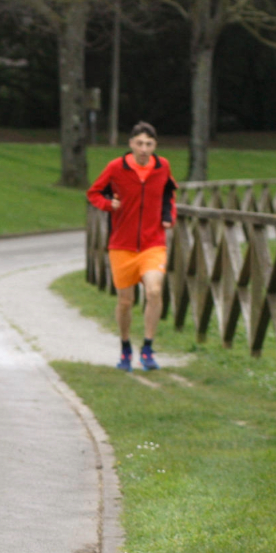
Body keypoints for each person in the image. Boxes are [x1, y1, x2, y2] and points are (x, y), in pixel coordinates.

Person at [86, 121, 177, 371]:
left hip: (153, 243)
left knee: (154, 291)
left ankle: (147, 348)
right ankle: (125, 347)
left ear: (155, 145)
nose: (144, 149)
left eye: (149, 144)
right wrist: (108, 205)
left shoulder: (163, 166)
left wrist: (169, 215)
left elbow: (169, 192)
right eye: (139, 143)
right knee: (125, 301)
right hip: (122, 245)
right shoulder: (117, 167)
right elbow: (94, 193)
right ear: (131, 144)